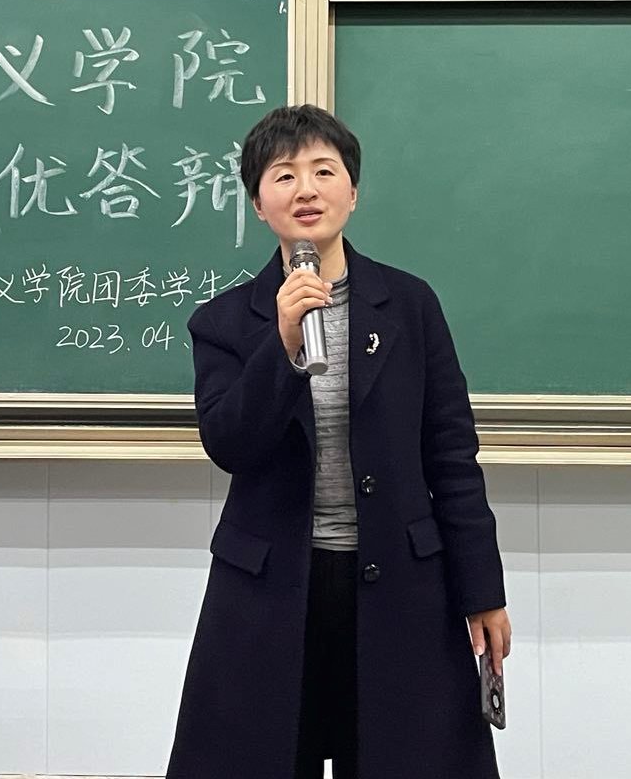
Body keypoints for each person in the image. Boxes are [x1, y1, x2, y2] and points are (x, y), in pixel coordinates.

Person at [166, 105, 511, 779]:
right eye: (283, 175)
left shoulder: (410, 306)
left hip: (401, 585)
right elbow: (230, 444)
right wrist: (282, 344)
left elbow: (451, 456)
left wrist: (483, 589)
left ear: (352, 192)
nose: (306, 189)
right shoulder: (225, 322)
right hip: (270, 592)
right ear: (258, 203)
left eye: (324, 171)